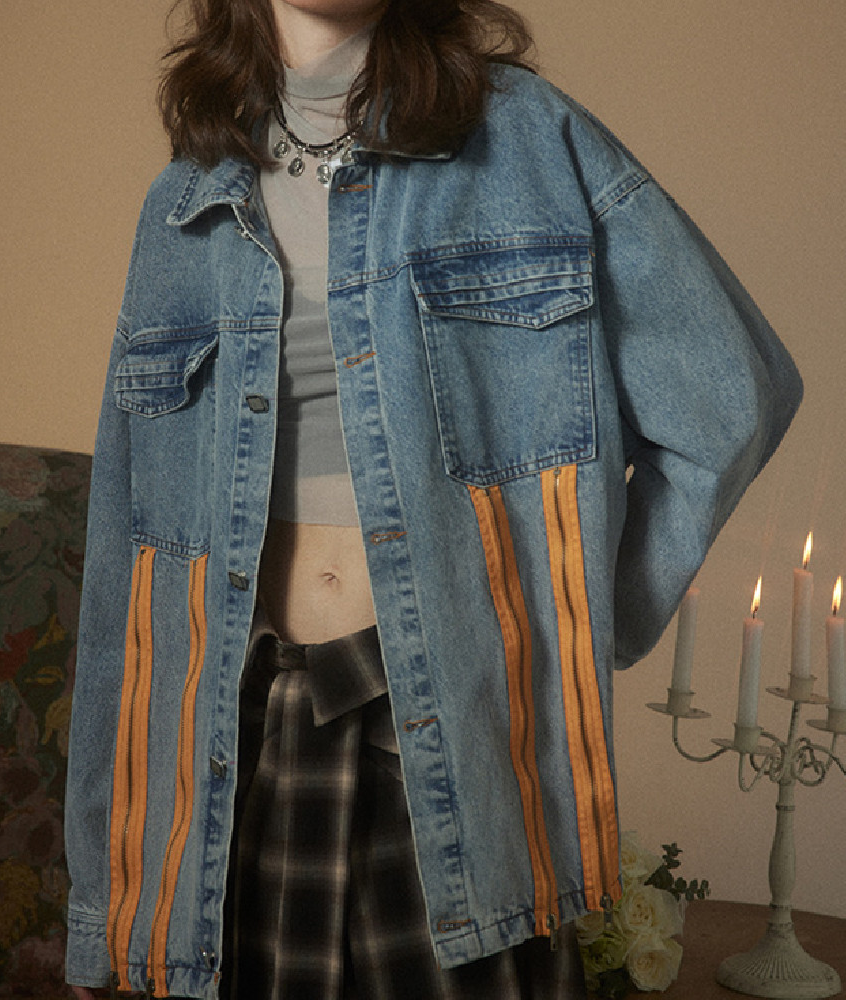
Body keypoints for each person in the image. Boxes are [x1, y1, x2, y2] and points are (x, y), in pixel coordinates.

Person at [64, 0, 803, 997]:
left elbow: (730, 398)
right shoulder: (185, 198)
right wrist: (106, 892)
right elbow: (129, 553)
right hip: (241, 747)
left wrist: (579, 620)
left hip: (452, 746)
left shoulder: (527, 137)